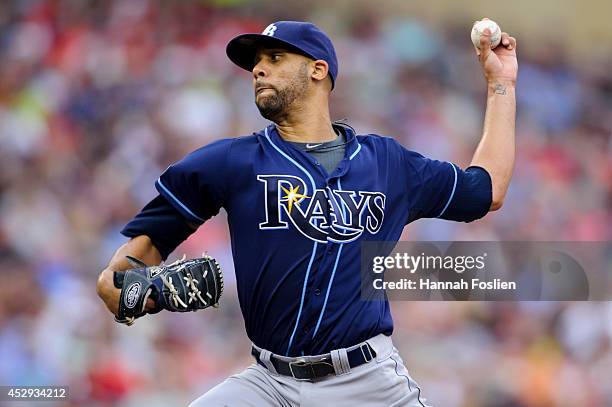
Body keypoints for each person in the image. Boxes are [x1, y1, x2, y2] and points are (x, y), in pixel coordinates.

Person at [96, 20, 517, 406]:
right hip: (268, 384)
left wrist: (501, 84)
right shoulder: (228, 163)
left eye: (275, 58)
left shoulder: (388, 165)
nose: (259, 70)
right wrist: (144, 293)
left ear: (318, 70)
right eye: (256, 63)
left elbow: (487, 189)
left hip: (367, 383)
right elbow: (113, 282)